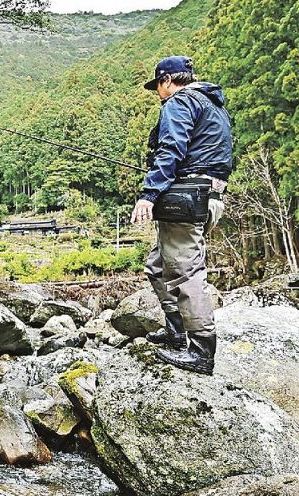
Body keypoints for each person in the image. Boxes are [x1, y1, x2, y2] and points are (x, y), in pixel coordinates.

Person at [130, 56, 232, 375]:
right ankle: (177, 331)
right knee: (157, 264)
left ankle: (201, 350)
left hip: (187, 195)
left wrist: (149, 194)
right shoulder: (213, 104)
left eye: (157, 86)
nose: (158, 93)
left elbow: (171, 150)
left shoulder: (179, 102)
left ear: (167, 81)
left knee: (185, 270)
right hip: (211, 196)